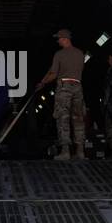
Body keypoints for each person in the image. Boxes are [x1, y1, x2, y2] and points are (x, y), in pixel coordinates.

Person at [37, 28, 87, 160]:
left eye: (59, 39)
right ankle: (80, 151)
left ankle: (65, 152)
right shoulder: (80, 53)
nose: (58, 41)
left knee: (62, 118)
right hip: (78, 86)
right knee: (78, 119)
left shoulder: (59, 54)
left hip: (64, 87)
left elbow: (53, 74)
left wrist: (43, 83)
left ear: (65, 39)